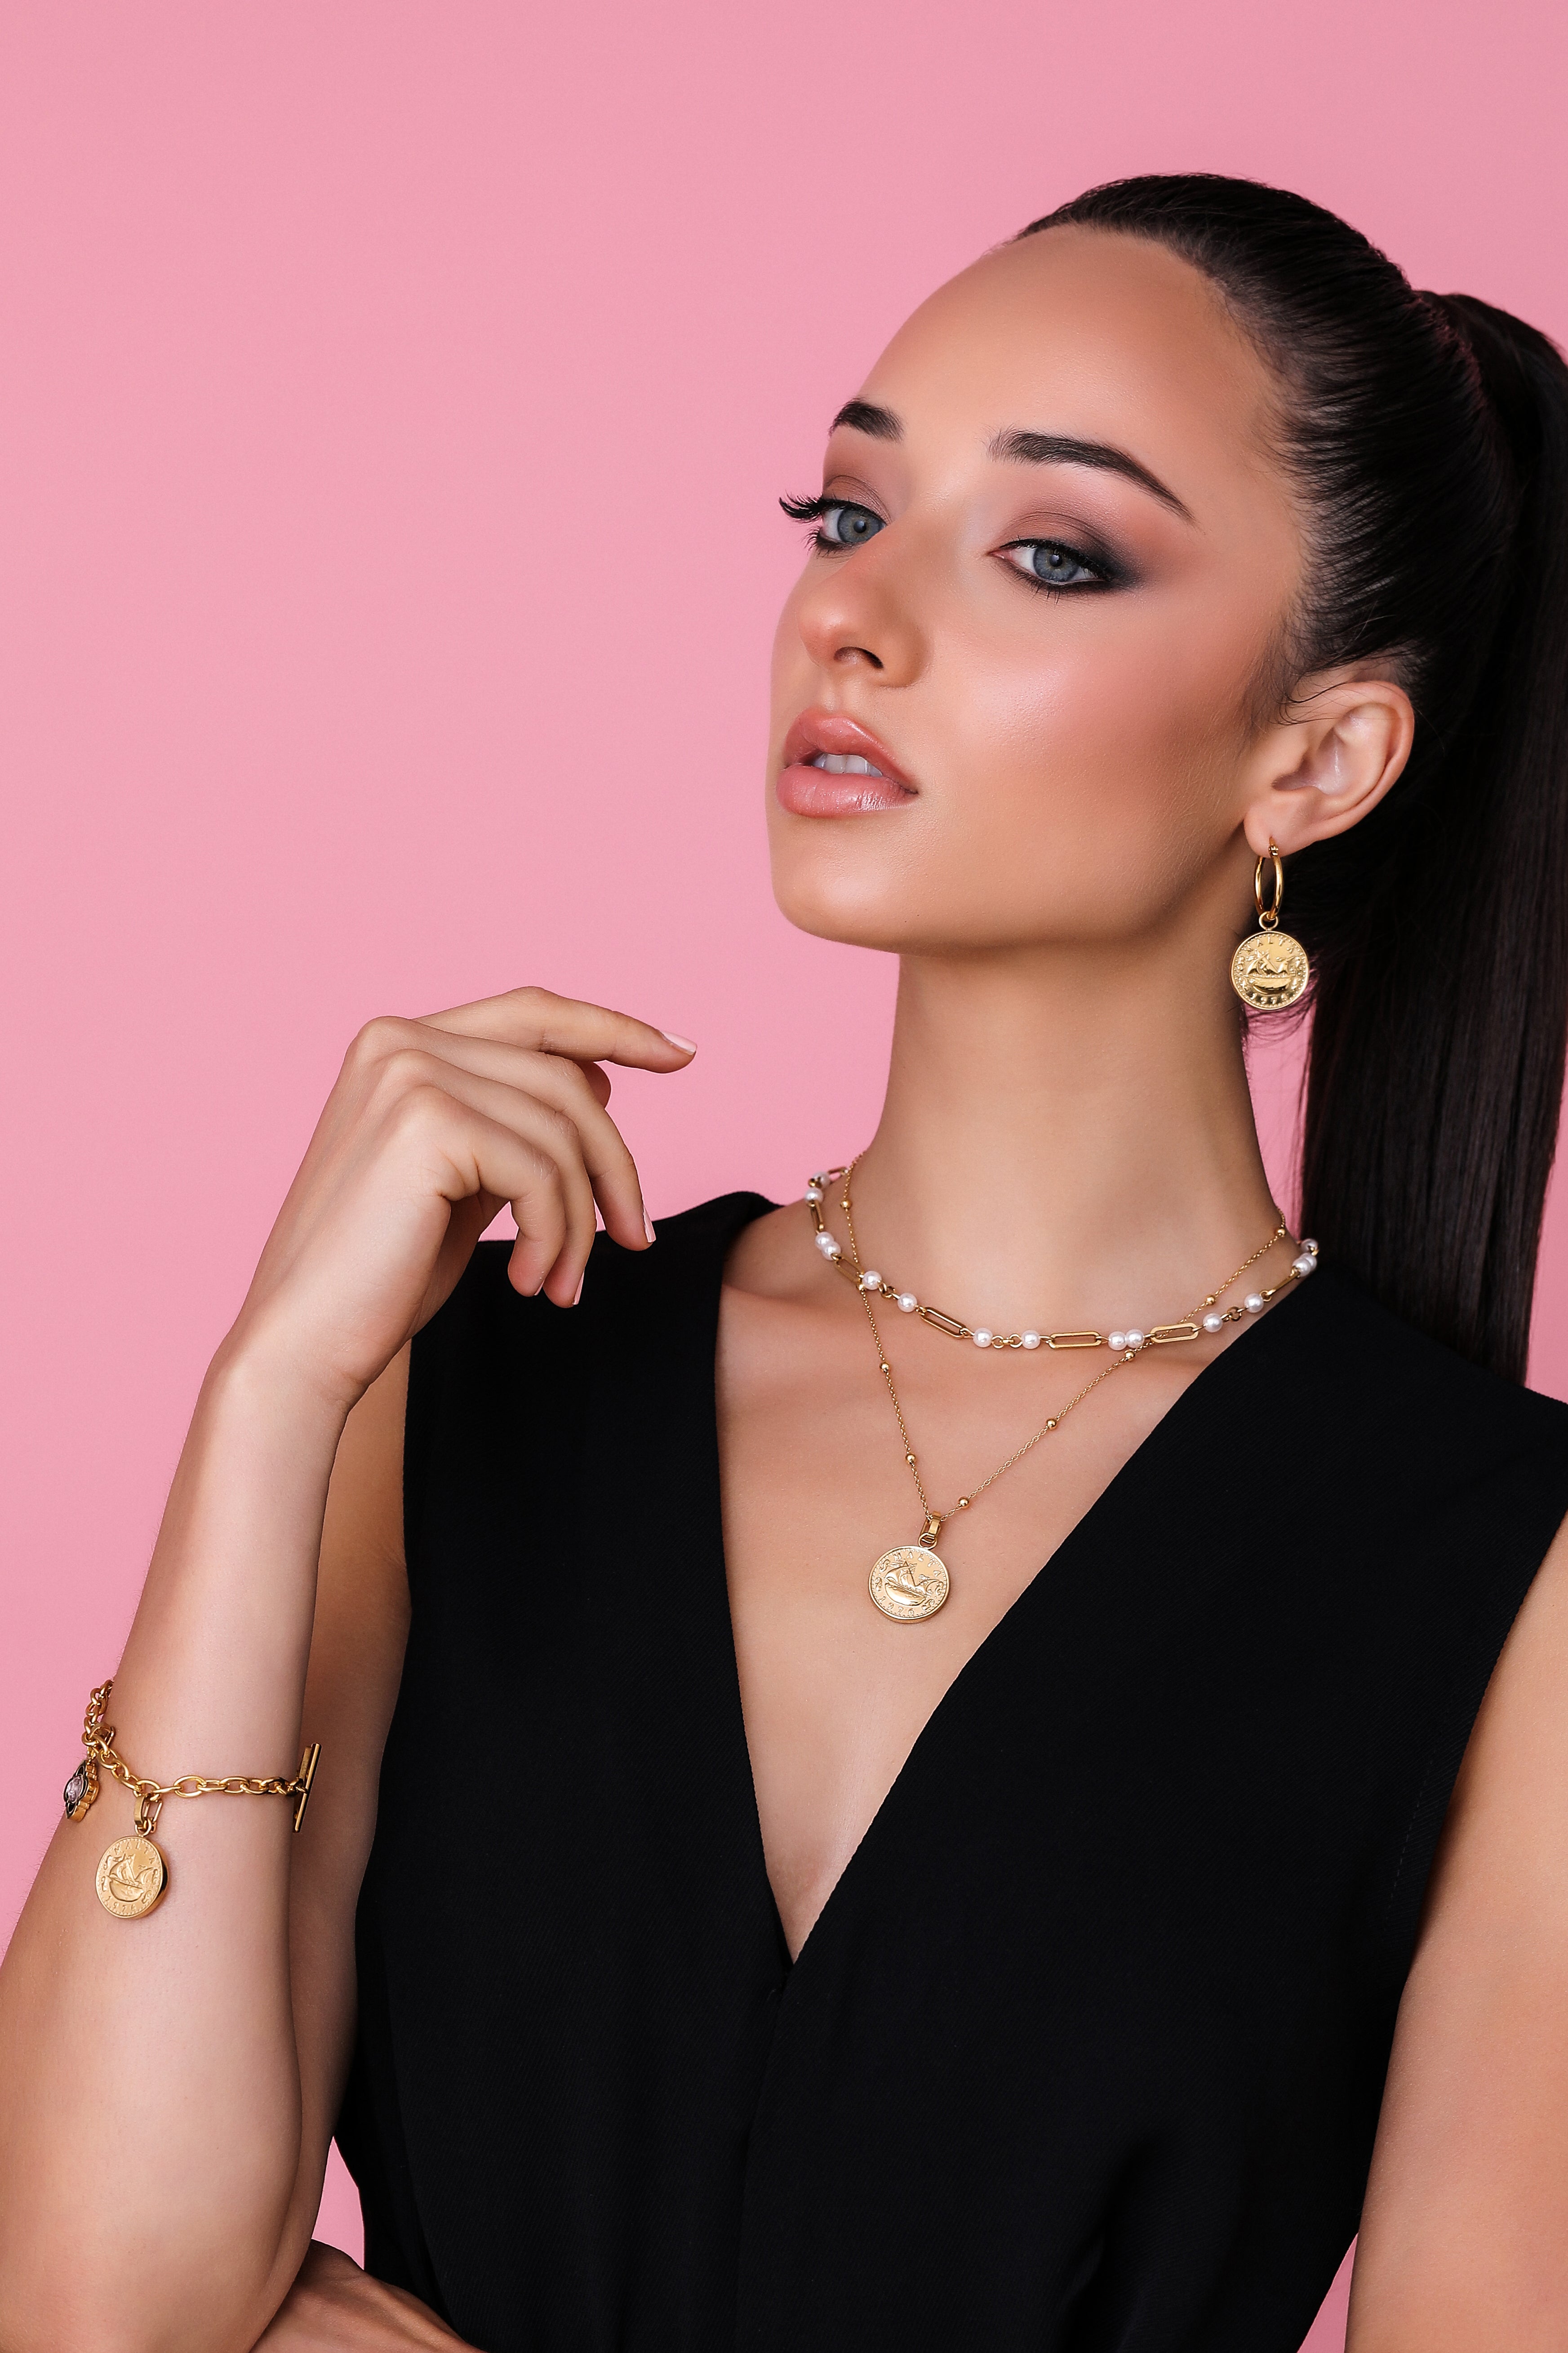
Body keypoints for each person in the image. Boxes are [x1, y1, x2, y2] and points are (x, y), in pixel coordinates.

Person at [3, 172, 1568, 2353]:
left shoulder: (1509, 1576)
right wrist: (271, 1394)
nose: (853, 616)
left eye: (1050, 552)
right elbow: (90, 2307)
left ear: (1317, 757)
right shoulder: (476, 1373)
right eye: (846, 512)